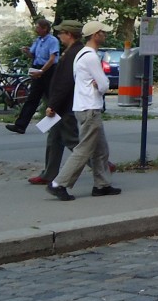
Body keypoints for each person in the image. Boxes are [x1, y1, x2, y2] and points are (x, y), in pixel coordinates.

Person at [47, 20, 118, 201]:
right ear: (95, 35)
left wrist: (96, 83)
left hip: (83, 106)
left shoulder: (80, 54)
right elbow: (103, 84)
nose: (105, 35)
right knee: (84, 149)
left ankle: (102, 184)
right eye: (103, 32)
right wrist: (101, 85)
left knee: (101, 149)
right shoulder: (91, 56)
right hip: (90, 108)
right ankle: (59, 183)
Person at [28, 19, 83, 186]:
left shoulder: (73, 53)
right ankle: (49, 173)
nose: (59, 36)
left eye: (61, 33)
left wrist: (53, 105)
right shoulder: (71, 51)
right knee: (54, 139)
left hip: (64, 105)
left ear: (69, 34)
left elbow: (64, 83)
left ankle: (100, 164)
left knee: (72, 141)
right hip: (61, 103)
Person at [6, 17, 61, 134]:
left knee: (52, 98)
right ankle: (20, 125)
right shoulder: (38, 40)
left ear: (45, 29)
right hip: (37, 69)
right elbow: (33, 55)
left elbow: (52, 59)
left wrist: (42, 71)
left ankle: (57, 124)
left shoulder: (52, 41)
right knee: (32, 98)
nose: (36, 29)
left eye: (38, 27)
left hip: (48, 70)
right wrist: (27, 52)